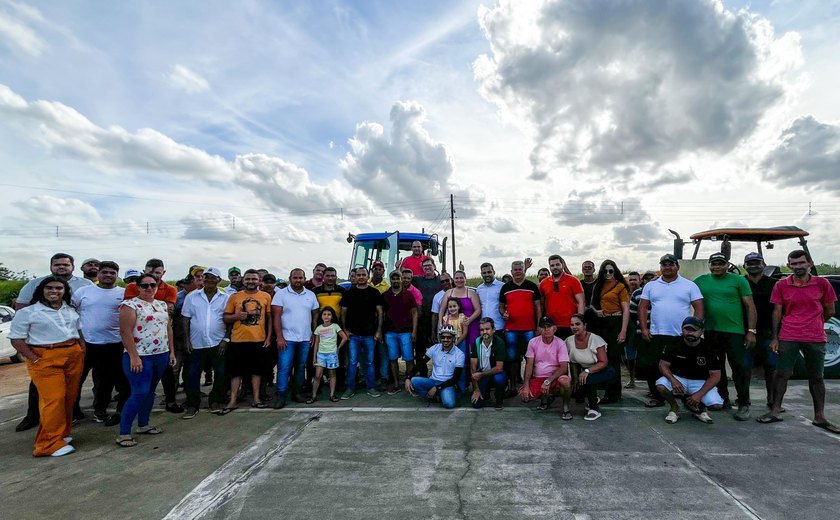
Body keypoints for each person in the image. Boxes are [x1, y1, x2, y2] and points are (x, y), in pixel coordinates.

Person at [758, 250, 839, 433]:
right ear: (789, 266)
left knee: (817, 377)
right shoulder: (782, 285)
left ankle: (820, 416)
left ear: (809, 263)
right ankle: (776, 410)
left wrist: (814, 323)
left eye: (801, 263)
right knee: (782, 374)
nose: (797, 267)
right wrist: (775, 337)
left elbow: (830, 310)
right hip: (788, 335)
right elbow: (777, 312)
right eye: (793, 264)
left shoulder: (822, 283)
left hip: (815, 337)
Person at [14, 253, 93, 432]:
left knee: (72, 386)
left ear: (73, 266)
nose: (61, 267)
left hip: (72, 342)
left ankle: (72, 413)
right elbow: (21, 311)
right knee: (44, 389)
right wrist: (33, 355)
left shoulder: (85, 285)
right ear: (51, 266)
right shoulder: (34, 285)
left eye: (65, 264)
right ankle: (32, 416)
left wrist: (81, 347)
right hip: (43, 348)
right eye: (57, 264)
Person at [9, 277, 85, 457]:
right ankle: (47, 445)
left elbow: (79, 332)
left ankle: (61, 435)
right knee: (53, 400)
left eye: (59, 288)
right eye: (49, 287)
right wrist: (34, 359)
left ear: (65, 291)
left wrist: (81, 351)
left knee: (69, 398)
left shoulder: (70, 309)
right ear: (41, 290)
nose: (54, 291)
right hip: (45, 357)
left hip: (72, 354)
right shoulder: (28, 312)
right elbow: (17, 339)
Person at [694, 252, 757, 420]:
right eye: (713, 263)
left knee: (739, 368)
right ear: (709, 265)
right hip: (711, 331)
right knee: (716, 367)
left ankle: (744, 403)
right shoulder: (701, 281)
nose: (717, 266)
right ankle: (723, 398)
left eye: (721, 263)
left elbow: (750, 306)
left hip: (735, 332)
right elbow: (683, 288)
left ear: (727, 264)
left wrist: (751, 331)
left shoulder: (739, 280)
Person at [116, 273, 175, 447]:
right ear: (138, 287)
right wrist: (134, 356)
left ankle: (143, 424)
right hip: (141, 356)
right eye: (145, 285)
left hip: (160, 354)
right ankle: (124, 432)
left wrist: (171, 352)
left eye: (152, 285)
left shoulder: (161, 305)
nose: (149, 288)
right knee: (139, 391)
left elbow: (168, 329)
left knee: (150, 391)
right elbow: (125, 331)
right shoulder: (130, 305)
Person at [638, 254, 704, 408]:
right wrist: (644, 328)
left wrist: (697, 329)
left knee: (682, 367)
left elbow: (699, 307)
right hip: (656, 333)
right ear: (660, 267)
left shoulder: (689, 285)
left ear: (677, 266)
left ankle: (685, 397)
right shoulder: (651, 286)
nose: (667, 267)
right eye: (664, 265)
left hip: (681, 335)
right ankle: (656, 396)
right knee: (653, 365)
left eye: (671, 264)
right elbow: (643, 307)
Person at [71, 260, 128, 426]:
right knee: (77, 379)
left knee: (106, 381)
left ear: (117, 275)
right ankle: (73, 411)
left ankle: (100, 410)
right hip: (86, 344)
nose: (109, 275)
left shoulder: (124, 293)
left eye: (112, 273)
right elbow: (71, 313)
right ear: (99, 274)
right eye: (105, 272)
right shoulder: (83, 292)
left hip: (114, 344)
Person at [124, 258, 182, 414]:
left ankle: (170, 401)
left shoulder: (170, 289)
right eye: (150, 272)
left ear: (163, 273)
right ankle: (128, 407)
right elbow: (132, 310)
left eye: (157, 273)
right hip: (139, 344)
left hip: (161, 341)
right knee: (139, 380)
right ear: (144, 272)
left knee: (168, 373)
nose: (150, 285)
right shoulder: (132, 286)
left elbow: (168, 312)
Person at [222, 269, 273, 413]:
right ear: (243, 280)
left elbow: (269, 319)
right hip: (238, 340)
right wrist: (237, 316)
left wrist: (268, 337)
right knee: (236, 372)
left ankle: (256, 399)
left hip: (259, 339)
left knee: (257, 371)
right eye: (248, 279)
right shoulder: (234, 297)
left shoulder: (265, 297)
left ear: (259, 281)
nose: (251, 282)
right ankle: (233, 400)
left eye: (254, 279)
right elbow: (226, 317)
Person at [181, 268, 229, 418]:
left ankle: (215, 401)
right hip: (196, 343)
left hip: (218, 342)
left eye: (212, 277)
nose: (208, 279)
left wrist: (226, 339)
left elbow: (229, 320)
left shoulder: (225, 297)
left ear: (218, 280)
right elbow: (185, 319)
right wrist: (186, 339)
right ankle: (192, 404)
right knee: (192, 374)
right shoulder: (192, 297)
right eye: (205, 277)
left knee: (221, 373)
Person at [656, 317, 724, 424]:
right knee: (660, 385)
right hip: (678, 379)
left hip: (700, 381)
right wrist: (673, 380)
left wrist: (699, 395)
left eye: (694, 330)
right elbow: (663, 365)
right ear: (682, 330)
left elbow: (715, 376)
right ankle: (674, 408)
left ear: (701, 331)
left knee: (717, 406)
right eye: (687, 329)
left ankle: (699, 409)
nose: (690, 333)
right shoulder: (674, 342)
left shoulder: (709, 347)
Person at [271, 268, 320, 408]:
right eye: (295, 278)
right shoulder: (281, 294)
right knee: (284, 368)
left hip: (304, 338)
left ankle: (297, 393)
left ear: (305, 278)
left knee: (300, 367)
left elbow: (315, 314)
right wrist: (279, 337)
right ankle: (281, 395)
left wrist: (312, 332)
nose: (298, 280)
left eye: (300, 278)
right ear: (290, 278)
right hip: (287, 338)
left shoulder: (310, 295)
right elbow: (276, 317)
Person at [589, 260, 630, 404]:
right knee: (603, 356)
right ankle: (607, 388)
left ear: (615, 271)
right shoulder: (598, 286)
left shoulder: (620, 287)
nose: (608, 274)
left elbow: (626, 310)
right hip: (603, 323)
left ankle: (613, 393)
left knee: (613, 358)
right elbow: (592, 304)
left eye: (611, 271)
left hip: (617, 322)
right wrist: (597, 311)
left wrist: (623, 331)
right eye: (605, 271)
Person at [340, 267, 385, 399]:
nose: (360, 277)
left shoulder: (374, 293)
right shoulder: (349, 293)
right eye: (358, 275)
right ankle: (350, 388)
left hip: (370, 335)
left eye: (363, 275)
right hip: (353, 335)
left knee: (370, 362)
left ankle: (371, 387)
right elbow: (343, 312)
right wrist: (345, 330)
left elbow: (380, 313)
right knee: (352, 362)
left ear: (367, 276)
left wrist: (378, 331)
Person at [742, 252, 780, 410]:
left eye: (757, 262)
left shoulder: (775, 283)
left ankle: (772, 400)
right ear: (744, 266)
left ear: (764, 264)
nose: (753, 266)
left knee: (771, 367)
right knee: (744, 367)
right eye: (750, 263)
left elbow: (778, 310)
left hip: (768, 332)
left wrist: (776, 335)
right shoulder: (740, 282)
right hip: (745, 332)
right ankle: (744, 400)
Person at [499, 260, 541, 396]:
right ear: (511, 272)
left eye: (520, 269)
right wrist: (503, 313)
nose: (518, 271)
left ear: (524, 270)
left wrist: (539, 325)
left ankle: (530, 385)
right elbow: (501, 306)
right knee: (512, 358)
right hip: (511, 329)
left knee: (530, 358)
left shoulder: (532, 286)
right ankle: (512, 386)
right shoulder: (506, 287)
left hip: (529, 328)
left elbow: (538, 308)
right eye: (515, 269)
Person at [564, 314, 615, 421]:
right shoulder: (569, 340)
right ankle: (593, 399)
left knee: (588, 379)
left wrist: (587, 371)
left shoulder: (595, 339)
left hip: (603, 370)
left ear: (585, 325)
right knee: (578, 388)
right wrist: (574, 379)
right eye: (571, 324)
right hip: (585, 371)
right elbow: (572, 361)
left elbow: (603, 362)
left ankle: (594, 409)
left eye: (577, 324)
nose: (574, 327)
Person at [519, 316, 573, 411]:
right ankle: (545, 399)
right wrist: (526, 386)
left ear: (555, 328)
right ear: (539, 329)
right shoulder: (533, 342)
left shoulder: (560, 343)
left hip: (555, 378)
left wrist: (548, 381)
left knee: (565, 381)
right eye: (543, 327)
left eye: (549, 326)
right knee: (524, 396)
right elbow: (529, 365)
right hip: (538, 377)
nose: (546, 329)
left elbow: (564, 367)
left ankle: (566, 408)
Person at [405, 324, 464, 409]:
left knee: (449, 404)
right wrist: (408, 377)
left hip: (447, 383)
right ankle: (435, 395)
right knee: (414, 381)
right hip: (433, 381)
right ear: (440, 338)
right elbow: (421, 363)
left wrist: (437, 388)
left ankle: (437, 394)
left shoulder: (459, 354)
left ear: (453, 338)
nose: (445, 340)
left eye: (449, 337)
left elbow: (455, 379)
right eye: (443, 337)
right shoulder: (435, 348)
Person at [383, 270, 418, 394]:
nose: (396, 281)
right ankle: (397, 384)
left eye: (398, 278)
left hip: (406, 332)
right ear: (390, 280)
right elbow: (381, 314)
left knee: (409, 359)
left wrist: (414, 331)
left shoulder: (408, 295)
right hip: (390, 332)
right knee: (393, 359)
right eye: (393, 279)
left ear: (402, 279)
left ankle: (411, 384)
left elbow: (414, 313)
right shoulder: (385, 295)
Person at [313, 267, 348, 388]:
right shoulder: (315, 291)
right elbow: (314, 312)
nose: (330, 278)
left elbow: (344, 311)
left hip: (337, 329)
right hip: (321, 328)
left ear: (336, 277)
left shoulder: (342, 291)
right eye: (328, 275)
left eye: (333, 276)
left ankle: (338, 384)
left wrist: (344, 328)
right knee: (319, 355)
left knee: (338, 356)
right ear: (323, 276)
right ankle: (318, 383)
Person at [539, 255, 584, 339]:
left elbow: (581, 302)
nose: (555, 267)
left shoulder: (573, 281)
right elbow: (541, 304)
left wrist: (579, 321)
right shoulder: (544, 283)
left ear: (563, 265)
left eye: (557, 264)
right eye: (552, 265)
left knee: (570, 350)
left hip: (570, 324)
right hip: (551, 325)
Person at [309, 307, 348, 403]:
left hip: (331, 354)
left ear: (332, 316)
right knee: (317, 375)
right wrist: (314, 357)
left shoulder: (335, 326)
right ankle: (313, 396)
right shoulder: (319, 328)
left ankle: (332, 394)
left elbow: (344, 337)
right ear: (321, 316)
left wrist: (338, 349)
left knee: (332, 374)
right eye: (324, 314)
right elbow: (316, 343)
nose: (326, 316)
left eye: (329, 314)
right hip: (321, 354)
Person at [412, 258, 443, 377]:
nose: (427, 268)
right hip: (422, 320)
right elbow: (404, 279)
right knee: (420, 350)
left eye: (429, 265)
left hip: (437, 319)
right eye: (425, 266)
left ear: (434, 266)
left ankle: (439, 374)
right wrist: (399, 267)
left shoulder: (440, 280)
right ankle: (423, 374)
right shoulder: (418, 280)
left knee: (439, 348)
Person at [438, 270, 481, 353]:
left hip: (471, 324)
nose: (459, 280)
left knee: (473, 349)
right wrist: (440, 322)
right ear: (453, 279)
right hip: (453, 325)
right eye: (456, 278)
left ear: (465, 279)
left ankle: (472, 365)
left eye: (461, 278)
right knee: (456, 349)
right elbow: (442, 310)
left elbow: (478, 310)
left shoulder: (471, 293)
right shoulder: (448, 293)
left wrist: (469, 320)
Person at [469, 318, 507, 409]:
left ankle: (499, 400)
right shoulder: (476, 342)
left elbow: (499, 368)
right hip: (481, 374)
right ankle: (485, 393)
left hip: (494, 373)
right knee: (476, 405)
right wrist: (476, 389)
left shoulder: (499, 343)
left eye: (487, 329)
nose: (484, 332)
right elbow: (473, 368)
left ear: (493, 330)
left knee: (499, 378)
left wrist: (481, 374)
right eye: (482, 330)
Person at [624, 271, 642, 388]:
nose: (632, 282)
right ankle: (632, 379)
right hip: (628, 329)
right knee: (629, 356)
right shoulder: (624, 294)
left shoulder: (644, 293)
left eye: (635, 280)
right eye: (630, 280)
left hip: (642, 328)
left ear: (640, 281)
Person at [476, 262, 504, 333]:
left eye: (489, 272)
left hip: (499, 326)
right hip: (484, 328)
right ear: (481, 274)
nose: (487, 275)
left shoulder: (502, 287)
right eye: (484, 273)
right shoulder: (479, 289)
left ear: (494, 272)